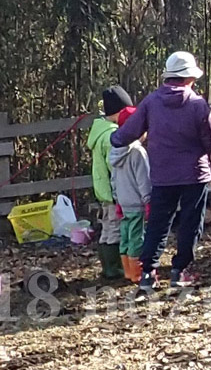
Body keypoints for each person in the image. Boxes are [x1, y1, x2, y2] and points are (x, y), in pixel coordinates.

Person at [113, 51, 211, 293]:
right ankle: (179, 270)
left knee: (158, 224)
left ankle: (148, 273)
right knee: (190, 223)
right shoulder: (198, 104)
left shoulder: (151, 102)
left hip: (162, 175)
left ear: (168, 77)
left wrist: (114, 137)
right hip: (194, 173)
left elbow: (127, 133)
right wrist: (202, 148)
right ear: (189, 78)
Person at [88, 86, 135, 280]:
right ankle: (114, 266)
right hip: (113, 190)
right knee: (114, 227)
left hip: (103, 190)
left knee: (107, 227)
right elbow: (115, 165)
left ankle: (107, 265)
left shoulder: (99, 130)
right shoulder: (110, 137)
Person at [108, 124, 152, 284]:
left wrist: (117, 200)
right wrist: (148, 200)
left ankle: (127, 270)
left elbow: (113, 179)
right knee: (136, 238)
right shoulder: (137, 152)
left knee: (125, 235)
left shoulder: (115, 152)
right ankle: (136, 273)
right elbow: (143, 179)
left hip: (124, 201)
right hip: (136, 202)